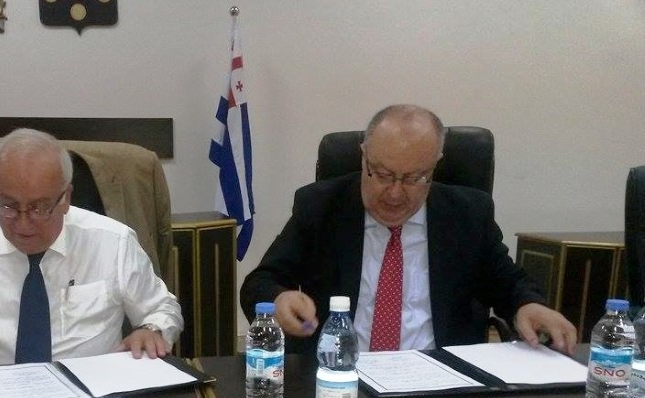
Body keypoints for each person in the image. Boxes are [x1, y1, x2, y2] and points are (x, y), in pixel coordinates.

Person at [240, 104, 577, 356]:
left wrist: (527, 305)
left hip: (441, 381)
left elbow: (508, 283)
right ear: (363, 156)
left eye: (415, 177)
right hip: (340, 375)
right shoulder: (321, 206)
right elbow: (260, 282)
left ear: (435, 164)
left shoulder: (468, 214)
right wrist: (279, 299)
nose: (395, 193)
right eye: (383, 174)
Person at [0, 128, 184, 398]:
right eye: (8, 205)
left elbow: (161, 307)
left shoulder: (112, 241)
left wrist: (152, 330)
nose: (23, 223)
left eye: (39, 207)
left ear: (66, 198)